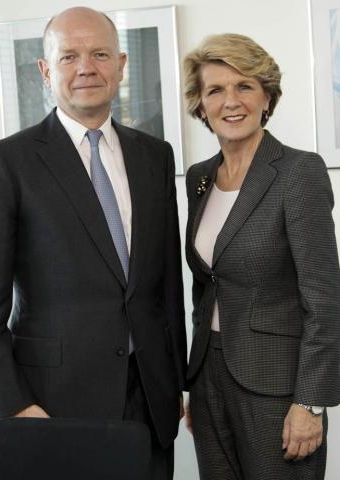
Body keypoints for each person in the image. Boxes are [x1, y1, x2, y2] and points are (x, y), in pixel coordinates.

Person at [0, 7, 187, 479]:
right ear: (46, 70)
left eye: (100, 53)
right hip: (51, 407)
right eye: (69, 56)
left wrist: (178, 383)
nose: (86, 67)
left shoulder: (155, 157)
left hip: (150, 403)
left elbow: (165, 289)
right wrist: (14, 406)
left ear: (121, 64)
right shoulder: (7, 163)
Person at [183, 33, 340, 480]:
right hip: (209, 375)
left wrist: (310, 402)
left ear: (266, 96)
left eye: (244, 86)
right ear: (201, 104)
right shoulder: (199, 179)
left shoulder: (298, 172)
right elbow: (206, 283)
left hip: (276, 385)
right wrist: (197, 382)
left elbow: (324, 298)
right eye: (215, 90)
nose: (230, 101)